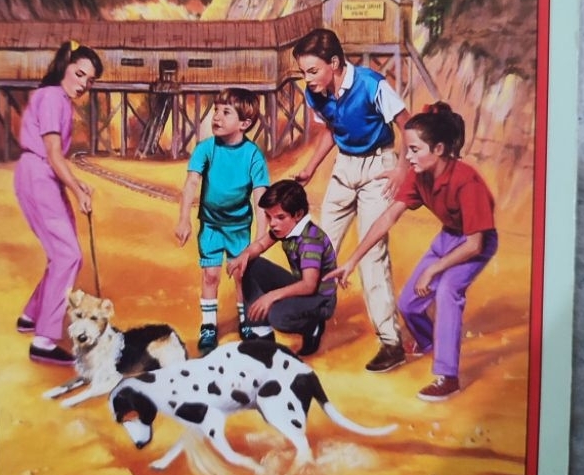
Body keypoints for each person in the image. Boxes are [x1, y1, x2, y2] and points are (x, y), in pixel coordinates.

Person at [327, 103, 497, 401]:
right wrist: (352, 260)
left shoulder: (466, 181)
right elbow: (387, 218)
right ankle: (429, 341)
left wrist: (434, 269)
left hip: (474, 243)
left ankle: (448, 376)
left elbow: (475, 244)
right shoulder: (419, 177)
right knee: (408, 303)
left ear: (439, 149)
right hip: (448, 239)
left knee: (447, 291)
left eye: (415, 150)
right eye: (407, 149)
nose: (407, 157)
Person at [292, 27, 411, 373]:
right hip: (345, 166)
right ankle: (312, 324)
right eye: (303, 72)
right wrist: (311, 167)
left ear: (334, 63)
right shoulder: (315, 92)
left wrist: (402, 169)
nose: (307, 78)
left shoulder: (372, 84)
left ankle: (391, 342)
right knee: (317, 249)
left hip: (379, 165)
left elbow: (407, 125)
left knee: (372, 253)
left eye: (312, 70)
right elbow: (331, 129)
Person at [13, 40, 103, 365]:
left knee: (62, 254)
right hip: (39, 175)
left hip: (44, 176)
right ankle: (43, 340)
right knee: (68, 255)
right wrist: (77, 192)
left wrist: (77, 183)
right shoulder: (52, 97)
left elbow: (56, 158)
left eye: (89, 81)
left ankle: (31, 315)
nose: (83, 84)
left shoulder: (61, 100)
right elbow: (52, 153)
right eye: (79, 74)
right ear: (65, 66)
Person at [175, 88, 270, 354]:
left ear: (244, 123)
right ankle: (208, 326)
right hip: (211, 225)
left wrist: (261, 237)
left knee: (241, 275)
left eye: (226, 112)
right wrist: (184, 219)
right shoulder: (205, 149)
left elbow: (260, 196)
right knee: (210, 274)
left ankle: (246, 320)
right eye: (216, 110)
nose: (216, 116)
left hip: (239, 227)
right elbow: (191, 183)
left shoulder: (253, 155)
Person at [226, 179, 337, 357]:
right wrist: (244, 255)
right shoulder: (286, 228)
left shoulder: (310, 240)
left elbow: (309, 285)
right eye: (269, 217)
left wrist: (271, 296)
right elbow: (261, 245)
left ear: (298, 214)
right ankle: (262, 333)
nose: (272, 223)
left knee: (277, 315)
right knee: (250, 264)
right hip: (302, 285)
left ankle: (313, 326)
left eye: (279, 217)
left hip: (319, 297)